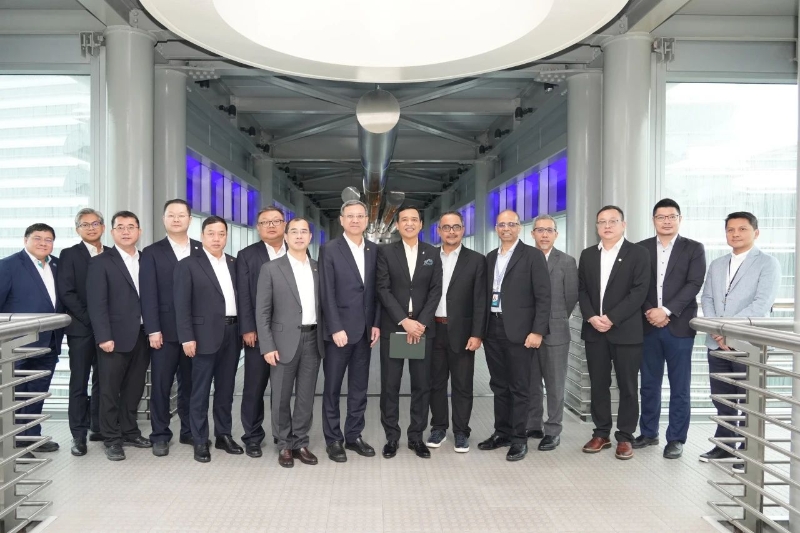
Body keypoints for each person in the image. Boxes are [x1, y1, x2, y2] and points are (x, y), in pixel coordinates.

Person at [700, 211, 780, 471]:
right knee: (722, 397)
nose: (735, 234)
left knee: (749, 399)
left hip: (748, 344)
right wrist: (717, 330)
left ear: (755, 233)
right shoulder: (717, 264)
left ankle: (748, 450)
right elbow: (707, 299)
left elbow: (761, 304)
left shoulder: (767, 263)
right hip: (717, 342)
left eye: (742, 229)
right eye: (730, 230)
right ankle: (725, 445)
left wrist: (729, 331)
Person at [634, 199, 706, 459]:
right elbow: (636, 285)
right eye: (661, 217)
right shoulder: (640, 249)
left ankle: (676, 438)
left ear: (679, 219)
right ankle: (648, 432)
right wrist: (650, 311)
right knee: (648, 384)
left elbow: (694, 283)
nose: (666, 221)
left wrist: (665, 310)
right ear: (653, 220)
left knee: (680, 386)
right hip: (647, 325)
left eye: (671, 216)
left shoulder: (694, 248)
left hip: (679, 326)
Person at [578, 205, 650, 460]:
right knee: (598, 384)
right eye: (602, 222)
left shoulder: (638, 253)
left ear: (623, 224)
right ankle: (601, 433)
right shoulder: (588, 255)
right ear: (597, 226)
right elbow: (581, 290)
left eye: (612, 221)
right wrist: (591, 317)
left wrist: (611, 318)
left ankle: (625, 436)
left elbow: (639, 292)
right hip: (594, 330)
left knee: (628, 386)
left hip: (626, 331)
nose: (607, 226)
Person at [478, 209, 550, 462]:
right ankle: (502, 432)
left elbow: (544, 296)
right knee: (499, 385)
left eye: (511, 224)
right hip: (493, 328)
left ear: (519, 227)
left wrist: (537, 331)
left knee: (520, 387)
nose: (506, 229)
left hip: (521, 332)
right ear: (496, 229)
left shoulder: (532, 256)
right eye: (501, 225)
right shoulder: (489, 258)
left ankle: (519, 438)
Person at [174, 216, 244, 463]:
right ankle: (200, 439)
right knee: (200, 391)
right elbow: (181, 305)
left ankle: (224, 435)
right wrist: (187, 337)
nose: (216, 238)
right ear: (202, 236)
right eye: (211, 234)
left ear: (226, 236)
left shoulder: (234, 263)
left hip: (232, 334)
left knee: (226, 389)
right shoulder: (188, 265)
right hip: (202, 337)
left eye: (221, 234)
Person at [255, 217, 324, 468]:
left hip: (313, 339)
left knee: (306, 396)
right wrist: (267, 345)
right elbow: (262, 311)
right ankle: (284, 443)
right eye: (294, 231)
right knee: (281, 396)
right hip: (282, 341)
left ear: (310, 237)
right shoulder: (271, 268)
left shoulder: (318, 268)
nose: (299, 236)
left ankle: (300, 442)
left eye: (304, 231)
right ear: (286, 236)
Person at [376, 206, 442, 460]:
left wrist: (420, 323)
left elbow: (436, 290)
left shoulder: (432, 253)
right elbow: (382, 289)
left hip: (422, 329)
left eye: (414, 219)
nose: (409, 223)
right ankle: (392, 437)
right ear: (397, 225)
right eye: (404, 219)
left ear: (421, 224)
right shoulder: (386, 252)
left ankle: (416, 437)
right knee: (390, 385)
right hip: (395, 327)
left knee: (422, 385)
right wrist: (404, 321)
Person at [86, 212, 153, 461]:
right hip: (113, 337)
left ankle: (129, 431)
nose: (126, 231)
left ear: (139, 231)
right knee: (109, 390)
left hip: (143, 335)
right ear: (112, 232)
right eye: (120, 227)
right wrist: (103, 336)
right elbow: (97, 303)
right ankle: (111, 438)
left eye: (131, 227)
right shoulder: (101, 262)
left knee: (134, 388)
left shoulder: (147, 260)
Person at [318, 200, 380, 463]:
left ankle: (353, 435)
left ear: (367, 220)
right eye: (350, 216)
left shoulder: (374, 250)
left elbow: (377, 291)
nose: (355, 220)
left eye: (360, 216)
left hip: (365, 332)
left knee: (359, 388)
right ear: (341, 220)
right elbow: (326, 291)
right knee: (332, 388)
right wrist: (335, 327)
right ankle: (333, 440)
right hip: (339, 333)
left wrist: (376, 323)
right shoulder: (329, 249)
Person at [140, 199, 201, 457]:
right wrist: (153, 329)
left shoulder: (201, 249)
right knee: (161, 385)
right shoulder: (152, 252)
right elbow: (148, 294)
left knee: (191, 385)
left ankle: (189, 430)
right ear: (164, 219)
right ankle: (160, 434)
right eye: (171, 215)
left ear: (190, 219)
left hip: (195, 332)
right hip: (163, 332)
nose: (176, 219)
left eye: (181, 215)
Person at [0, 223, 64, 457]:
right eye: (37, 238)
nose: (43, 243)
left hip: (49, 341)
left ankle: (31, 436)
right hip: (16, 344)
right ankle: (13, 442)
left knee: (37, 392)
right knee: (16, 393)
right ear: (25, 240)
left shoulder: (57, 265)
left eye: (48, 239)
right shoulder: (8, 265)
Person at [426, 211, 487, 454]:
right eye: (446, 227)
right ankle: (439, 427)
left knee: (462, 384)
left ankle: (461, 432)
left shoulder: (476, 260)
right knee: (435, 383)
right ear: (439, 231)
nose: (451, 232)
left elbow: (480, 300)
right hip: (433, 329)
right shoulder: (429, 257)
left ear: (463, 229)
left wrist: (477, 333)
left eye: (456, 227)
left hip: (462, 332)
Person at [58, 209, 109, 456]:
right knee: (79, 381)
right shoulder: (69, 254)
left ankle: (98, 426)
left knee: (104, 380)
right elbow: (66, 292)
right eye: (85, 224)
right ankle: (78, 435)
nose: (91, 228)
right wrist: (92, 319)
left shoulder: (112, 254)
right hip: (82, 329)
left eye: (95, 223)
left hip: (109, 330)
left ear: (103, 227)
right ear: (77, 229)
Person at [236, 207, 287, 458]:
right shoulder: (247, 255)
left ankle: (282, 433)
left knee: (283, 388)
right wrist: (248, 328)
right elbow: (243, 294)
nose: (271, 226)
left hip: (288, 332)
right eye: (265, 222)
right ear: (258, 228)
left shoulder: (296, 250)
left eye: (276, 221)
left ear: (284, 225)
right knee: (254, 386)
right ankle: (253, 436)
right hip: (257, 332)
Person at [525, 214, 578, 452]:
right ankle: (533, 424)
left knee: (555, 384)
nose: (544, 234)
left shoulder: (566, 261)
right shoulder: (525, 258)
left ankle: (553, 430)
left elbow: (570, 298)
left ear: (556, 234)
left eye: (549, 230)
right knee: (531, 382)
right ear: (532, 233)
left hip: (556, 331)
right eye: (540, 230)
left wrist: (554, 319)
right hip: (527, 332)